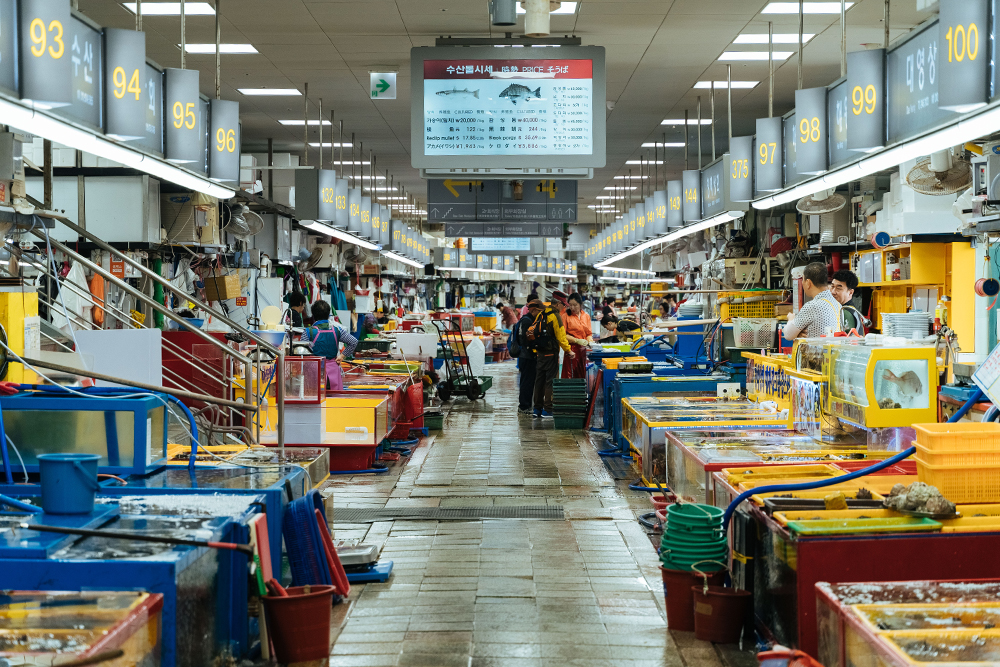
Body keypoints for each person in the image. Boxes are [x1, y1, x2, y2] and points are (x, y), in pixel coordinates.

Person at [526, 298, 573, 419]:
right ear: (557, 304)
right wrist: (568, 350)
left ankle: (537, 409)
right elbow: (561, 336)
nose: (564, 308)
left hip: (540, 353)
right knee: (550, 381)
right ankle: (547, 409)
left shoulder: (541, 314)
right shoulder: (555, 316)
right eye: (563, 305)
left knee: (539, 381)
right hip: (551, 353)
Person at [301, 300, 359, 390]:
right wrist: (342, 356)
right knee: (334, 400)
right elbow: (353, 341)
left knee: (316, 399)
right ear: (328, 315)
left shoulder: (308, 332)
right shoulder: (337, 330)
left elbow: (301, 353)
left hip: (314, 371)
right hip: (333, 370)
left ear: (313, 315)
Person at [782, 262, 843, 340]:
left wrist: (791, 319)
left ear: (808, 283)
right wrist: (798, 334)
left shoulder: (812, 306)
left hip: (817, 351)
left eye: (803, 280)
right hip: (832, 351)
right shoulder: (837, 304)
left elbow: (788, 335)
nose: (802, 283)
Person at [515, 301, 542, 414]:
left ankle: (525, 405)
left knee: (526, 381)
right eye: (539, 311)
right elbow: (526, 339)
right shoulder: (527, 321)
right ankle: (524, 406)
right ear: (533, 310)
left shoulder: (524, 320)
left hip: (524, 356)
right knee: (527, 381)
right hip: (527, 356)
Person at [562, 293, 593, 379]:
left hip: (584, 350)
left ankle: (582, 391)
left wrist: (590, 341)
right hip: (571, 350)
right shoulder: (565, 316)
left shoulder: (586, 316)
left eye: (575, 305)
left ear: (580, 304)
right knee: (570, 374)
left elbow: (589, 333)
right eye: (570, 305)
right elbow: (562, 335)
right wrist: (576, 340)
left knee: (582, 373)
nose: (572, 308)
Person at [832, 269, 866, 334]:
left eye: (838, 288)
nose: (833, 292)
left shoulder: (845, 312)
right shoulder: (851, 309)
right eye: (832, 286)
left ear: (850, 292)